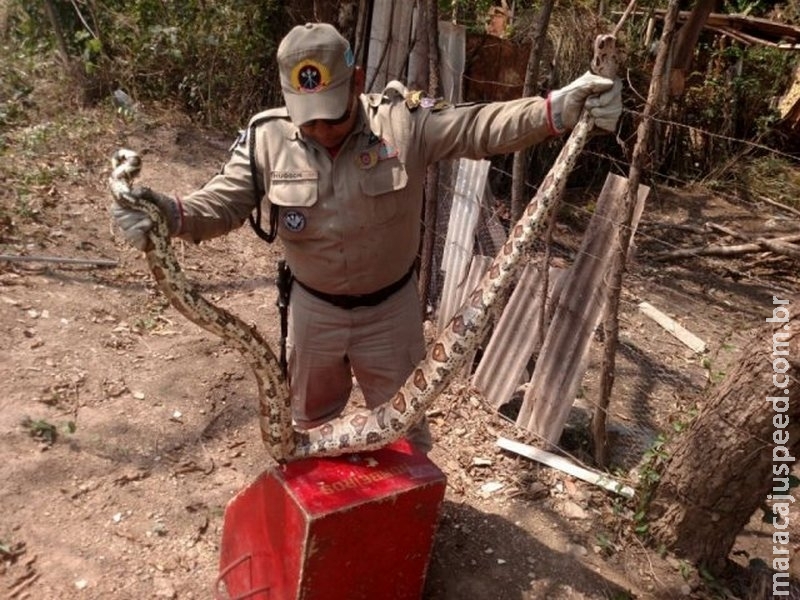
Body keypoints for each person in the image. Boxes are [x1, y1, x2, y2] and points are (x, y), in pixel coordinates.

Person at [112, 22, 622, 454]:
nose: (319, 130)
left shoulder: (403, 124)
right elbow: (220, 202)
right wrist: (168, 214)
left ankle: (407, 522)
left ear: (356, 81)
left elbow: (479, 127)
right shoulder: (267, 138)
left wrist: (557, 110)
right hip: (314, 314)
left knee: (405, 436)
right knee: (308, 432)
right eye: (306, 118)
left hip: (390, 314)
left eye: (330, 115)